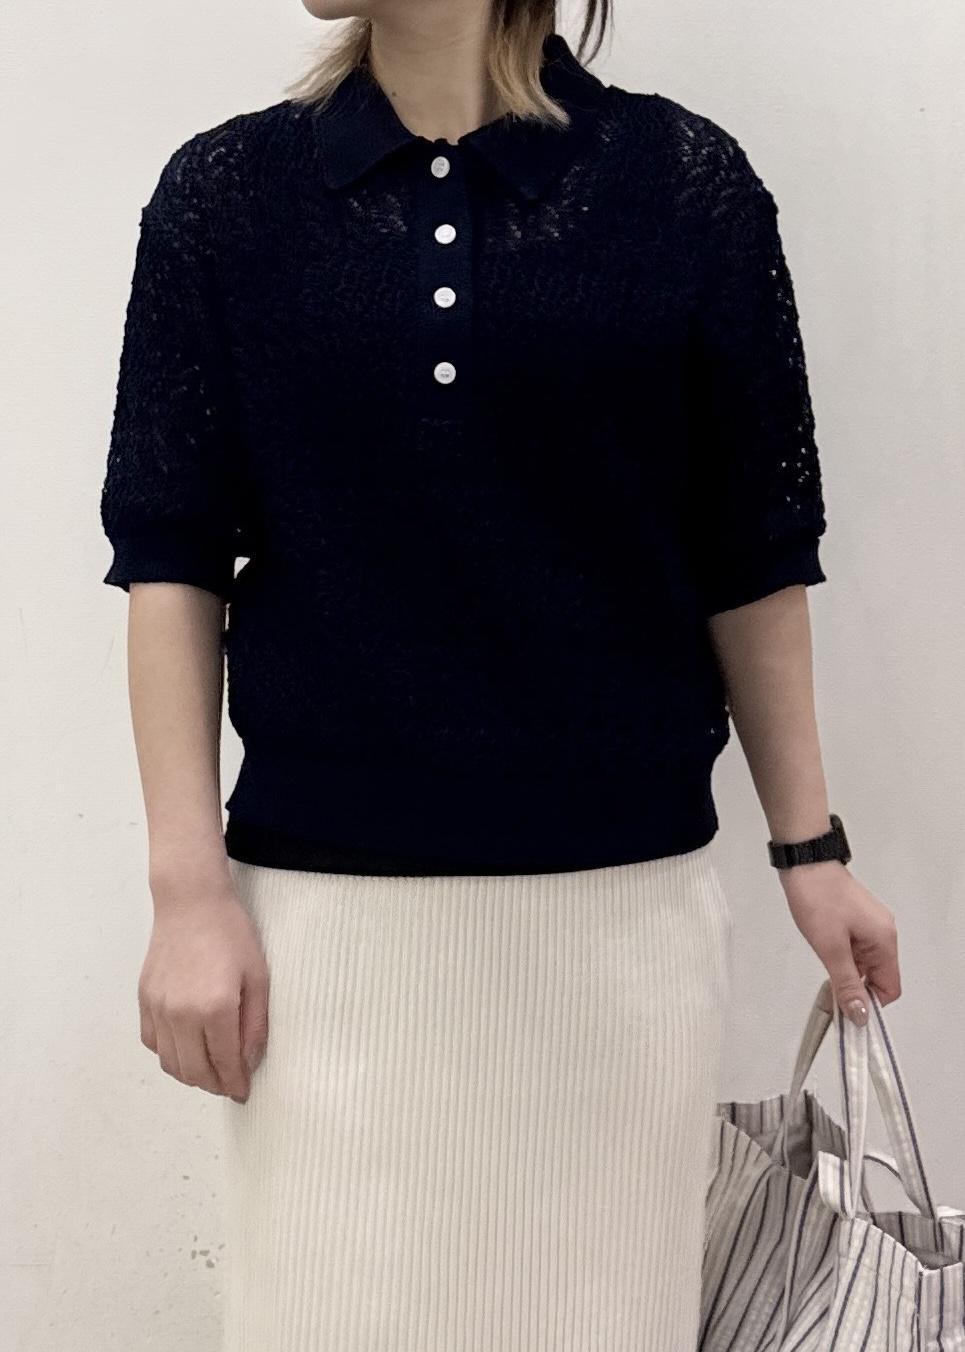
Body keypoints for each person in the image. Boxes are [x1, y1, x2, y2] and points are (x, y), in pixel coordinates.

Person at [98, 2, 902, 1348]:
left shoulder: (682, 186)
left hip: (619, 934)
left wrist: (808, 850)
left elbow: (755, 552)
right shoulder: (225, 197)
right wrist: (186, 895)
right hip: (322, 935)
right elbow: (168, 557)